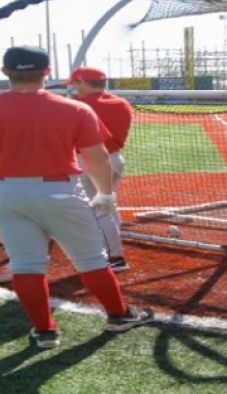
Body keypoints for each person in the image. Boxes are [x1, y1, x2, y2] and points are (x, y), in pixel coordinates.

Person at [0, 45, 153, 349]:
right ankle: (119, 316)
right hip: (60, 190)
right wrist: (106, 194)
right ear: (47, 72)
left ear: (6, 72)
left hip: (6, 192)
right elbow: (97, 159)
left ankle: (45, 331)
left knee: (25, 264)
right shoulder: (75, 108)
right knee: (91, 259)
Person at [63, 67, 133, 273]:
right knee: (107, 205)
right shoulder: (121, 103)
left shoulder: (78, 106)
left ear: (83, 83)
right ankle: (113, 251)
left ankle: (114, 256)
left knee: (97, 209)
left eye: (75, 84)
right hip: (114, 159)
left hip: (88, 161)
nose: (74, 89)